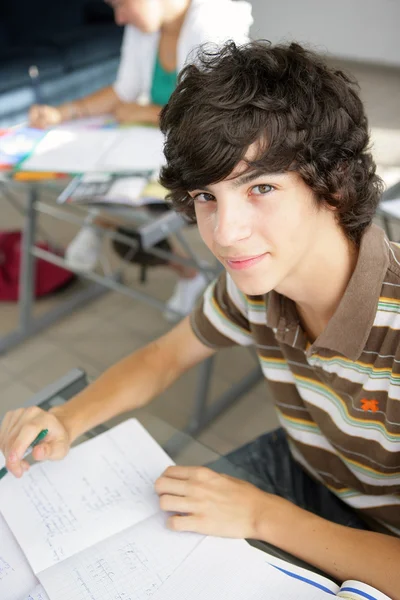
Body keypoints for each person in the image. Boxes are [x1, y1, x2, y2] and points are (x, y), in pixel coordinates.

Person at [2, 40, 400, 597]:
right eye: (206, 197)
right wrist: (68, 419)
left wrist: (263, 517)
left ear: (333, 186)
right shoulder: (258, 285)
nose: (224, 233)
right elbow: (165, 356)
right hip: (308, 469)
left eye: (261, 188)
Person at [29, 0, 252, 321]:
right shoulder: (144, 26)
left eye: (121, 5)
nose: (119, 18)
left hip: (205, 150)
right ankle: (102, 223)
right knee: (109, 181)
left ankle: (106, 227)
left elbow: (220, 116)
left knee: (131, 211)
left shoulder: (214, 25)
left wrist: (146, 114)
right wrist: (63, 113)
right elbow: (125, 91)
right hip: (153, 142)